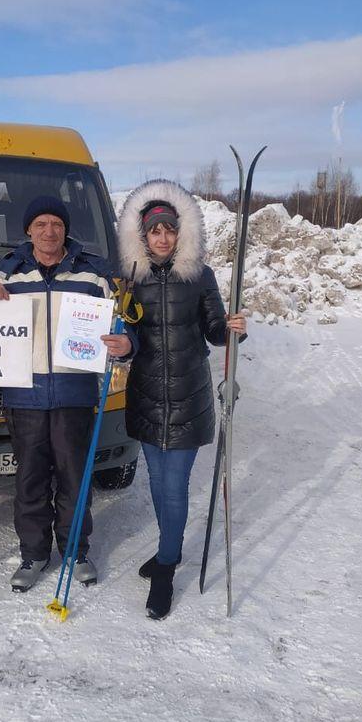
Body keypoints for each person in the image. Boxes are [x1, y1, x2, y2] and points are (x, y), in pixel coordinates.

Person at [0, 195, 133, 592]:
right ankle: (34, 554)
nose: (50, 231)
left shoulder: (93, 273)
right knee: (29, 481)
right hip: (23, 395)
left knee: (74, 480)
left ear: (66, 230)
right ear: (29, 231)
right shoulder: (8, 271)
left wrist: (126, 342)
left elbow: (121, 321)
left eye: (57, 224)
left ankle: (76, 552)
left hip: (74, 394)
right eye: (41, 224)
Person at [117, 180, 247, 620]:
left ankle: (166, 569)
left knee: (174, 487)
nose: (163, 237)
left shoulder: (200, 275)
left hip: (188, 396)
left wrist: (231, 329)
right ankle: (166, 549)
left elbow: (214, 329)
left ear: (180, 232)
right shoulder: (130, 279)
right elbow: (127, 332)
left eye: (169, 229)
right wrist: (122, 344)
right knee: (157, 483)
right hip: (147, 395)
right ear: (143, 235)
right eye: (155, 230)